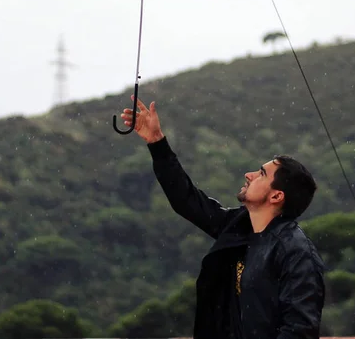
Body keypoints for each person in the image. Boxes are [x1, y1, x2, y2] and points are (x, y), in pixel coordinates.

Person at [120, 97, 326, 339]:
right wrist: (157, 143)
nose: (249, 175)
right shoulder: (239, 227)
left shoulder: (295, 252)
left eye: (261, 174)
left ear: (276, 196)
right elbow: (187, 200)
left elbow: (299, 331)